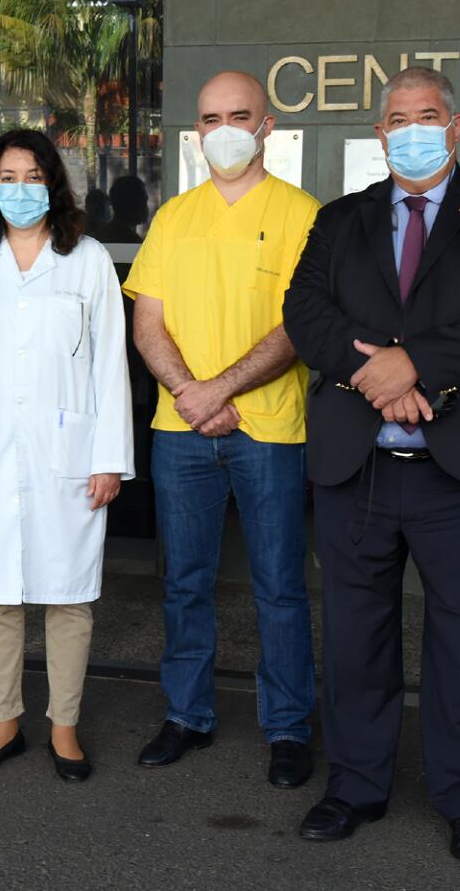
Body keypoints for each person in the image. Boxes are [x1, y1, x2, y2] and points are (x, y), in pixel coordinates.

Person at [283, 66, 460, 864]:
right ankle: (356, 784)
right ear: (378, 133)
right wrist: (379, 376)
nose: (411, 129)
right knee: (357, 634)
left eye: (426, 115)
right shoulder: (339, 221)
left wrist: (415, 364)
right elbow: (305, 310)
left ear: (457, 125)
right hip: (357, 462)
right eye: (396, 118)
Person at [122, 71, 319, 788]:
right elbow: (147, 321)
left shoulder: (304, 214)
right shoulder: (174, 217)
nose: (225, 129)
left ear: (267, 125)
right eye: (211, 118)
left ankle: (290, 725)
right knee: (185, 582)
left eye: (240, 115)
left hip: (270, 429)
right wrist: (190, 394)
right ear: (196, 131)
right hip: (181, 429)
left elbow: (299, 326)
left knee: (279, 585)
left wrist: (220, 389)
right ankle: (187, 714)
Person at [0, 130, 133, 783]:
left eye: (32, 175)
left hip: (66, 452)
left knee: (68, 596)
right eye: (7, 176)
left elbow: (108, 368)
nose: (20, 189)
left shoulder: (88, 258)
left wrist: (109, 458)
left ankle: (63, 727)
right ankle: (4, 721)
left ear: (53, 184)